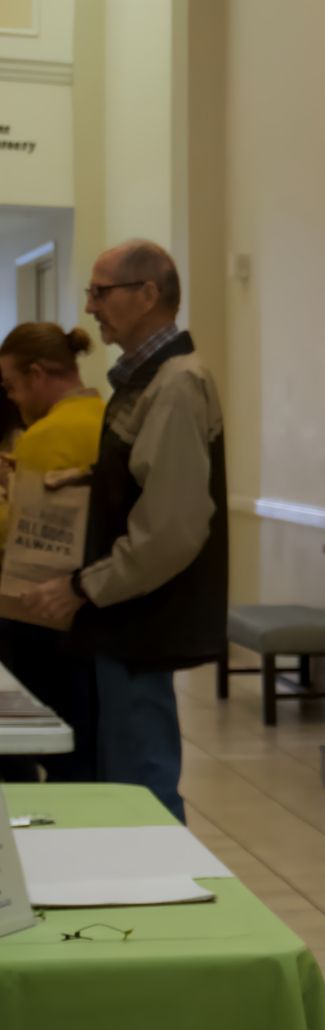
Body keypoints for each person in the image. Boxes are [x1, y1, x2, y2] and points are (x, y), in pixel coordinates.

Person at [22, 241, 228, 824]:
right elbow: (145, 473)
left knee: (142, 785)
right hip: (123, 617)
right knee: (122, 774)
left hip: (140, 616)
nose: (89, 307)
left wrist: (84, 586)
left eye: (100, 291)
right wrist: (83, 479)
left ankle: (167, 902)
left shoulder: (176, 383)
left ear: (148, 295)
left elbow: (172, 526)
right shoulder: (144, 380)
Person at [0, 322, 104, 782]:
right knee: (89, 735)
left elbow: (21, 536)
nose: (14, 401)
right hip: (100, 602)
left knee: (49, 740)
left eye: (13, 387)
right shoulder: (110, 417)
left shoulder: (44, 437)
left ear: (38, 374)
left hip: (43, 612)